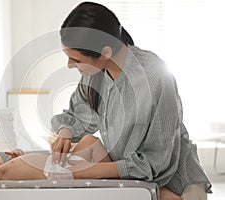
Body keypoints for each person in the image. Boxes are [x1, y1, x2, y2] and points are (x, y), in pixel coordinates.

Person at [50, 2, 212, 200]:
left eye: (75, 59)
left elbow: (156, 161)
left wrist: (82, 172)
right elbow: (78, 113)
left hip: (174, 181)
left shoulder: (154, 77)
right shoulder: (96, 74)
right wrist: (65, 134)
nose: (69, 65)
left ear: (105, 53)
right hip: (135, 178)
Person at [0, 134, 111, 189]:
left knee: (90, 140)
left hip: (62, 163)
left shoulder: (7, 165)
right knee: (100, 167)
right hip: (61, 172)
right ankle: (117, 174)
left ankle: (110, 170)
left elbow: (23, 169)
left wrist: (20, 157)